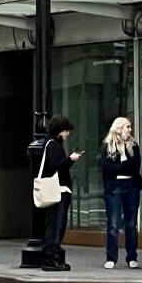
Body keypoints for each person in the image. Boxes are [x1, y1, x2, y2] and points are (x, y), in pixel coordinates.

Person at [39, 114, 82, 271]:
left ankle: (51, 256)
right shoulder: (53, 145)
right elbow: (56, 166)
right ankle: (51, 257)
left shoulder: (51, 143)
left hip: (57, 189)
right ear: (59, 131)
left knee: (55, 223)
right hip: (58, 189)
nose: (67, 134)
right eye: (66, 131)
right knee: (56, 224)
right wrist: (70, 159)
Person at [99, 116, 142, 269]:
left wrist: (120, 167)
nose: (130, 130)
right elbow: (107, 168)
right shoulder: (107, 146)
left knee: (131, 224)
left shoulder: (133, 145)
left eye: (130, 127)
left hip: (131, 185)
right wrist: (124, 165)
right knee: (113, 223)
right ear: (119, 128)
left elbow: (135, 166)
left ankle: (132, 257)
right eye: (127, 127)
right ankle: (111, 257)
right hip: (114, 187)